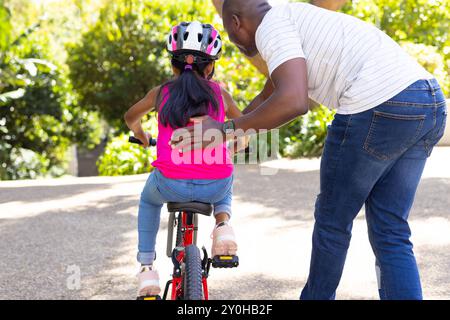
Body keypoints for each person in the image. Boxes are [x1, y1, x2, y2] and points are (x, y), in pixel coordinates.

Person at [171, 0, 448, 299]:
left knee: (333, 222)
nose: (235, 43)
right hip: (427, 102)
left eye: (229, 33)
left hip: (378, 104)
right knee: (390, 228)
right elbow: (273, 89)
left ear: (236, 22)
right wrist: (240, 129)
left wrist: (224, 129)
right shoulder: (289, 16)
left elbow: (294, 101)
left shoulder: (271, 28)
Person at [124, 21, 245, 297]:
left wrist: (142, 136)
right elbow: (245, 126)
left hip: (170, 183)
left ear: (173, 65)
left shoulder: (160, 93)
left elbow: (131, 117)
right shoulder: (221, 94)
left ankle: (146, 269)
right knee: (227, 169)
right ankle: (223, 224)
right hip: (214, 185)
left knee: (148, 199)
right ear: (210, 66)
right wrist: (236, 144)